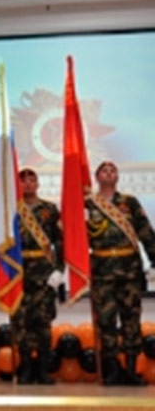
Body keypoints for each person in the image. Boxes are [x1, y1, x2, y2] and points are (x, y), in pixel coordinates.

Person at [86, 161, 155, 386]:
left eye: (112, 170)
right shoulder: (88, 204)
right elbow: (77, 238)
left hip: (129, 271)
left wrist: (154, 261)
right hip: (102, 272)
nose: (108, 173)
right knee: (106, 322)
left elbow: (145, 231)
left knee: (131, 320)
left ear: (117, 177)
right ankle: (112, 371)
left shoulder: (129, 202)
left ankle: (131, 370)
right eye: (104, 170)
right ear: (97, 177)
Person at [12, 168, 63, 385]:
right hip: (18, 272)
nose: (28, 184)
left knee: (43, 323)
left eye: (32, 180)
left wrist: (59, 269)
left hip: (43, 272)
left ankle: (43, 370)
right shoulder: (10, 209)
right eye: (23, 181)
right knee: (21, 323)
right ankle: (26, 368)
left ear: (38, 184)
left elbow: (59, 241)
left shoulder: (49, 210)